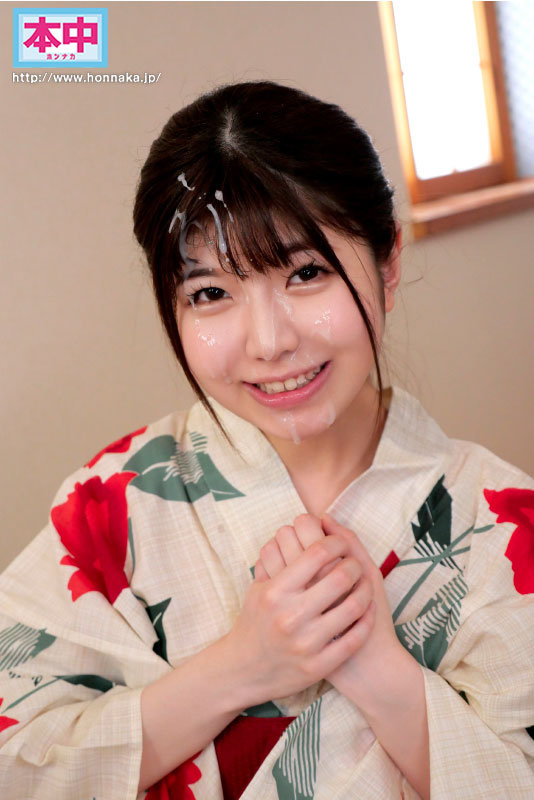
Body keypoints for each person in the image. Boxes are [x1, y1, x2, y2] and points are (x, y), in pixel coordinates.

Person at [0, 80, 533, 800]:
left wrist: (380, 671)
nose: (269, 342)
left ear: (388, 263)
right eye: (210, 293)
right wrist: (245, 665)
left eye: (306, 273)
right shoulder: (112, 506)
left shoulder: (504, 521)